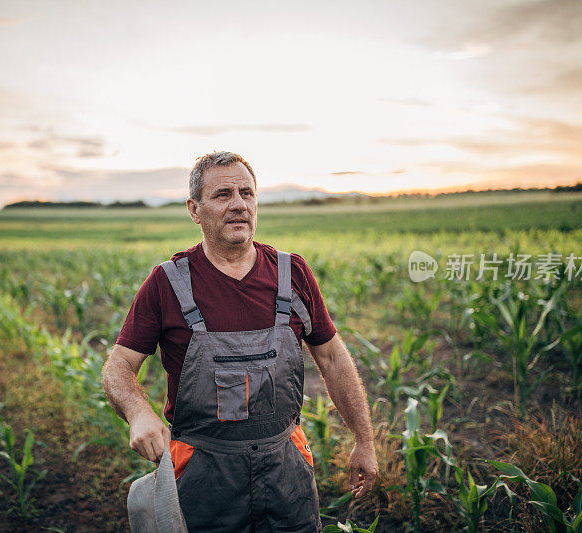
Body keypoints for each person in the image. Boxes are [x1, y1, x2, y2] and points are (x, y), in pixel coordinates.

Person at [102, 151, 378, 532]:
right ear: (194, 210)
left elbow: (331, 358)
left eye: (246, 193)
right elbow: (118, 366)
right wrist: (137, 411)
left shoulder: (292, 273)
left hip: (286, 472)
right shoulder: (167, 283)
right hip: (203, 475)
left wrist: (363, 439)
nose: (238, 205)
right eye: (222, 195)